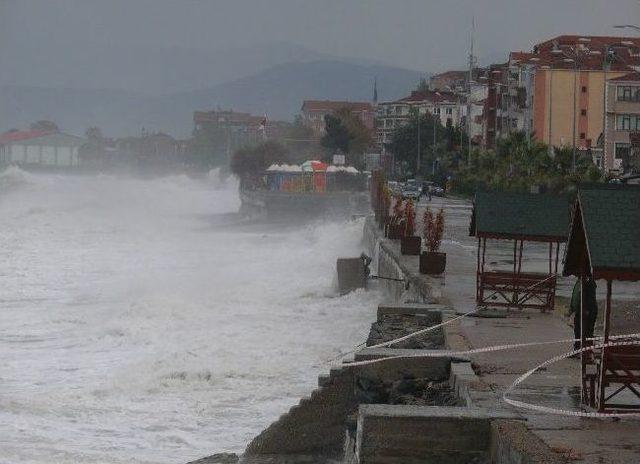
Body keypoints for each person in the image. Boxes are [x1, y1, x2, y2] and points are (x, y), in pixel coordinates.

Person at [568, 276, 598, 352]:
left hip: (588, 311)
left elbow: (590, 297)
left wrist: (587, 310)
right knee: (577, 331)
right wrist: (572, 308)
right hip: (579, 310)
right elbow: (575, 295)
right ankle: (577, 349)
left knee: (587, 332)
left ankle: (587, 352)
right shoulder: (578, 282)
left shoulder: (589, 282)